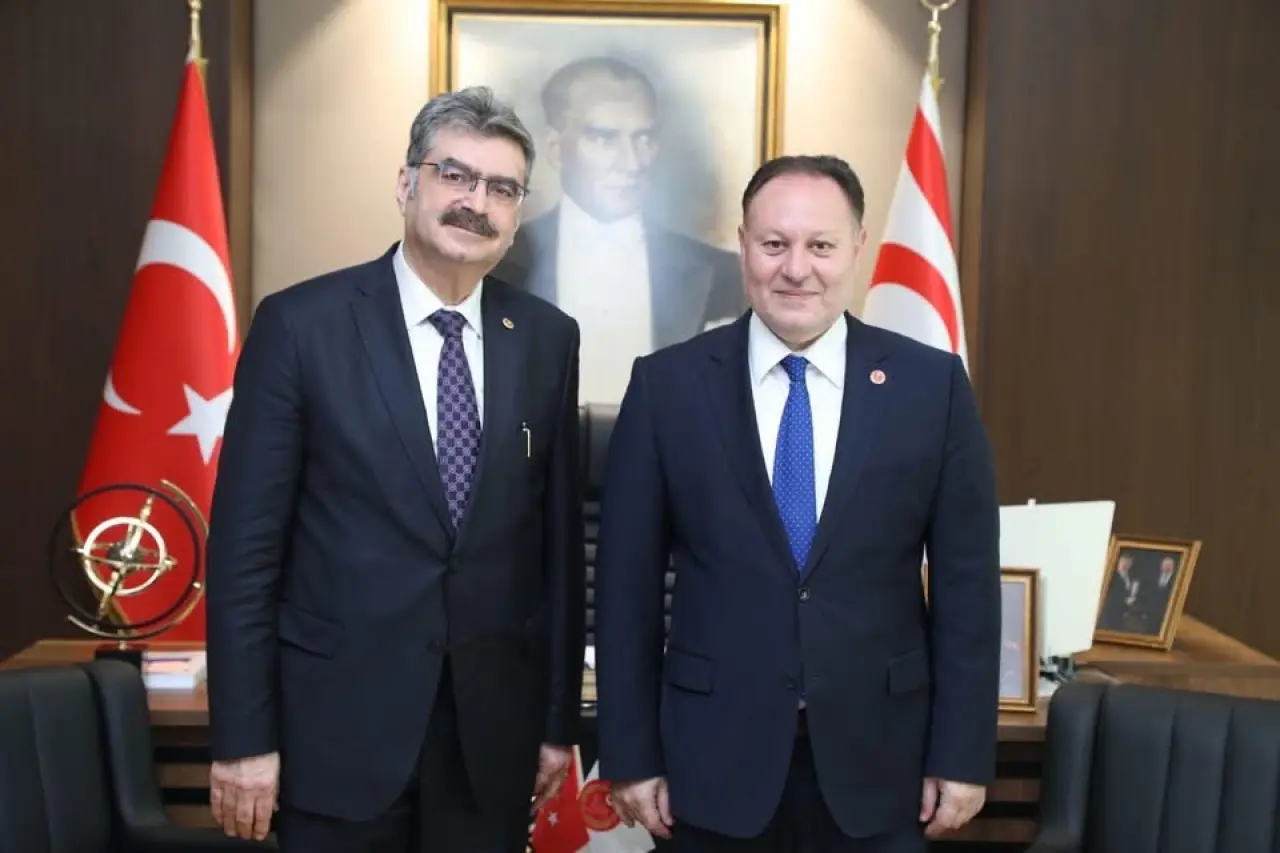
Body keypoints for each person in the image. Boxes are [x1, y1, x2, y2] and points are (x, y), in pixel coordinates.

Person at [204, 85, 585, 853]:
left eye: (502, 188)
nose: (476, 202)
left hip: (489, 744)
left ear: (517, 213)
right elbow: (245, 555)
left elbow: (556, 552)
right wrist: (244, 738)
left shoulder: (546, 339)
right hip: (334, 736)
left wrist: (556, 722)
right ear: (407, 183)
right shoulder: (302, 326)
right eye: (456, 175)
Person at [593, 154, 1001, 852]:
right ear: (743, 245)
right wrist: (630, 753)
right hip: (710, 764)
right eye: (775, 243)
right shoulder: (668, 388)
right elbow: (624, 588)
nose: (796, 268)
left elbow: (968, 587)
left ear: (857, 248)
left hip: (883, 765)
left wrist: (962, 753)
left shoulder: (931, 388)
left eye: (821, 245)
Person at [492, 56, 743, 403]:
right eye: (604, 138)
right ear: (555, 149)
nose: (632, 162)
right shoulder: (494, 263)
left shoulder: (723, 274)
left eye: (644, 138)